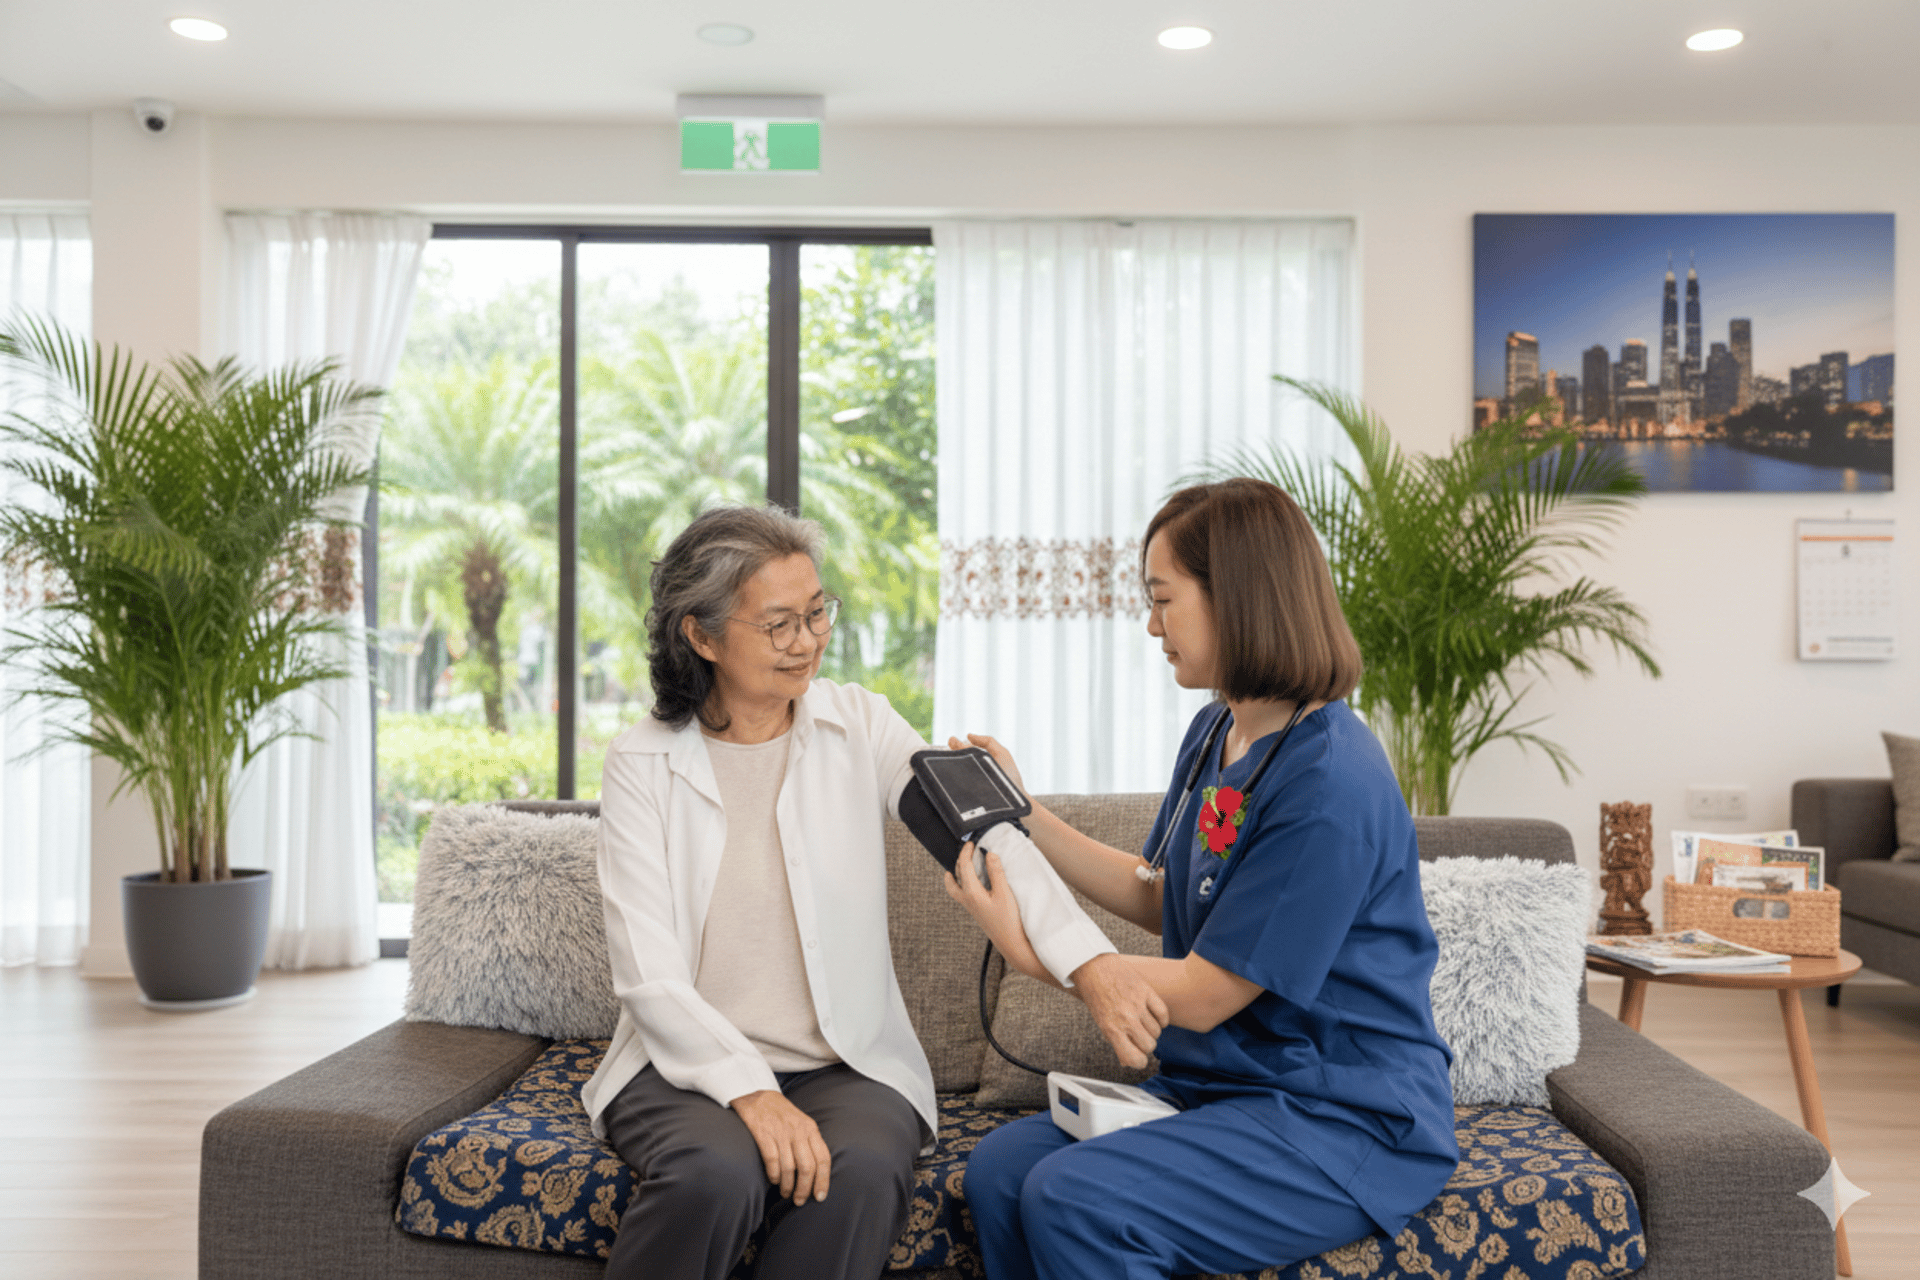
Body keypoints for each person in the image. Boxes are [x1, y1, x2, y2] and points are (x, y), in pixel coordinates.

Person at [946, 478, 1460, 1280]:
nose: (1150, 625)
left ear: (1240, 598)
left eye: (1163, 600)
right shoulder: (1219, 727)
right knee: (1003, 1171)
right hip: (1229, 1088)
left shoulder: (1330, 780)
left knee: (1077, 1199)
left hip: (1343, 1115)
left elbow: (1210, 990)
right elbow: (1165, 893)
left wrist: (1034, 955)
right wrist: (1024, 816)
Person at [578, 504, 939, 1280]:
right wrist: (752, 1093)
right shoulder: (641, 762)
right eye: (778, 624)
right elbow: (649, 975)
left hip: (845, 1064)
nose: (806, 641)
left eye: (816, 614)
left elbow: (968, 825)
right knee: (715, 1173)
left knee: (861, 1170)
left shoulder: (859, 725)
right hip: (677, 1066)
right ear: (701, 635)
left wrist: (1088, 960)